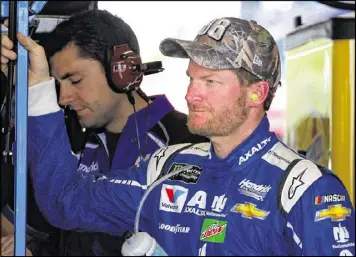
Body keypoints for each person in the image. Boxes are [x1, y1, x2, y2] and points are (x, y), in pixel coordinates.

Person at [2, 16, 355, 256]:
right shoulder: (165, 167)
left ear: (256, 93)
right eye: (191, 78)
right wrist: (39, 88)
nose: (190, 95)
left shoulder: (306, 190)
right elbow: (65, 202)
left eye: (209, 82)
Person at [0, 10, 207, 256]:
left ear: (121, 71)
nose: (63, 98)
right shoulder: (75, 141)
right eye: (57, 85)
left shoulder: (186, 145)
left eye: (75, 80)